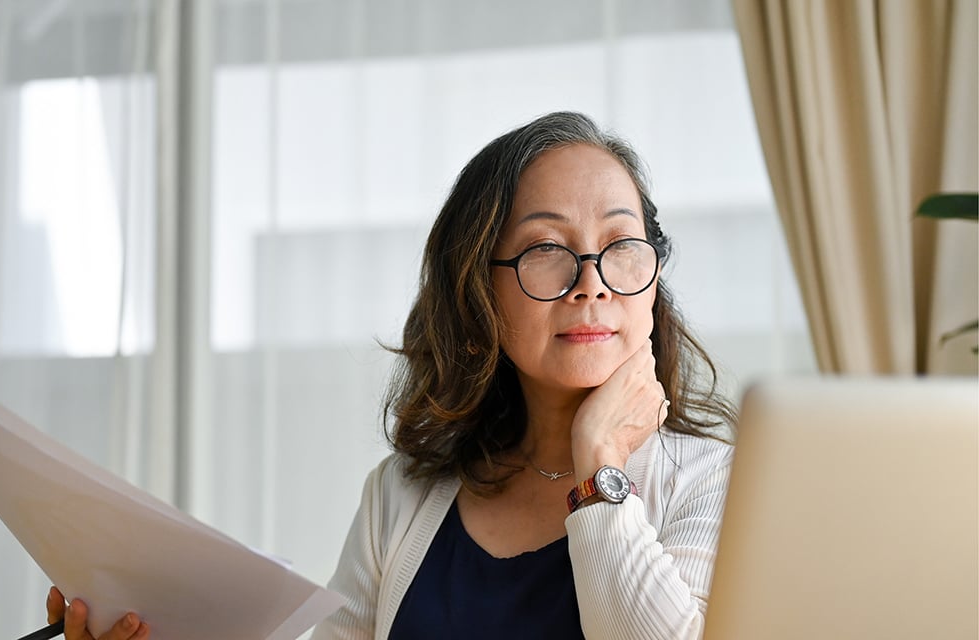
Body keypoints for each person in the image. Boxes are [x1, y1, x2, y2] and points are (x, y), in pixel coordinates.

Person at [47, 111, 737, 639]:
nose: (592, 282)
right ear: (479, 290)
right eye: (546, 249)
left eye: (621, 244)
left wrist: (599, 464)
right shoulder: (400, 498)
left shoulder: (716, 482)